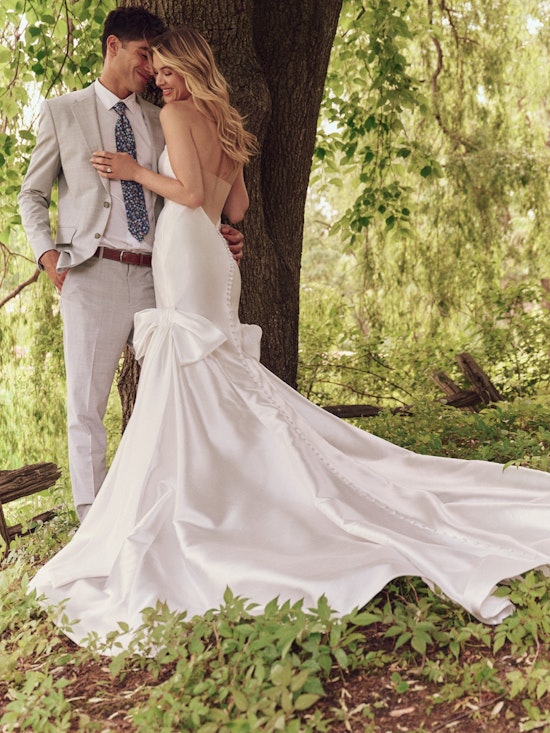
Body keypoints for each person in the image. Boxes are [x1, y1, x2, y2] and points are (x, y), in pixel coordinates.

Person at [29, 27, 550, 651]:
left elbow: (190, 196)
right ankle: (226, 479)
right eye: (156, 69)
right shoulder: (225, 119)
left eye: (167, 69)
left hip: (182, 248)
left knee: (200, 368)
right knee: (217, 367)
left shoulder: (171, 112)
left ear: (188, 68)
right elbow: (237, 208)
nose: (159, 79)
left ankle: (212, 491)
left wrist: (137, 171)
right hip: (216, 257)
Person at [18, 8, 244, 523]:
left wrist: (217, 233)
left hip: (159, 274)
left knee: (171, 395)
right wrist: (48, 252)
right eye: (145, 56)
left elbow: (192, 186)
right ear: (113, 45)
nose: (151, 69)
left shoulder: (161, 115)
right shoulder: (63, 112)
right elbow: (31, 194)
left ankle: (163, 507)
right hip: (92, 273)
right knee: (86, 407)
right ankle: (93, 521)